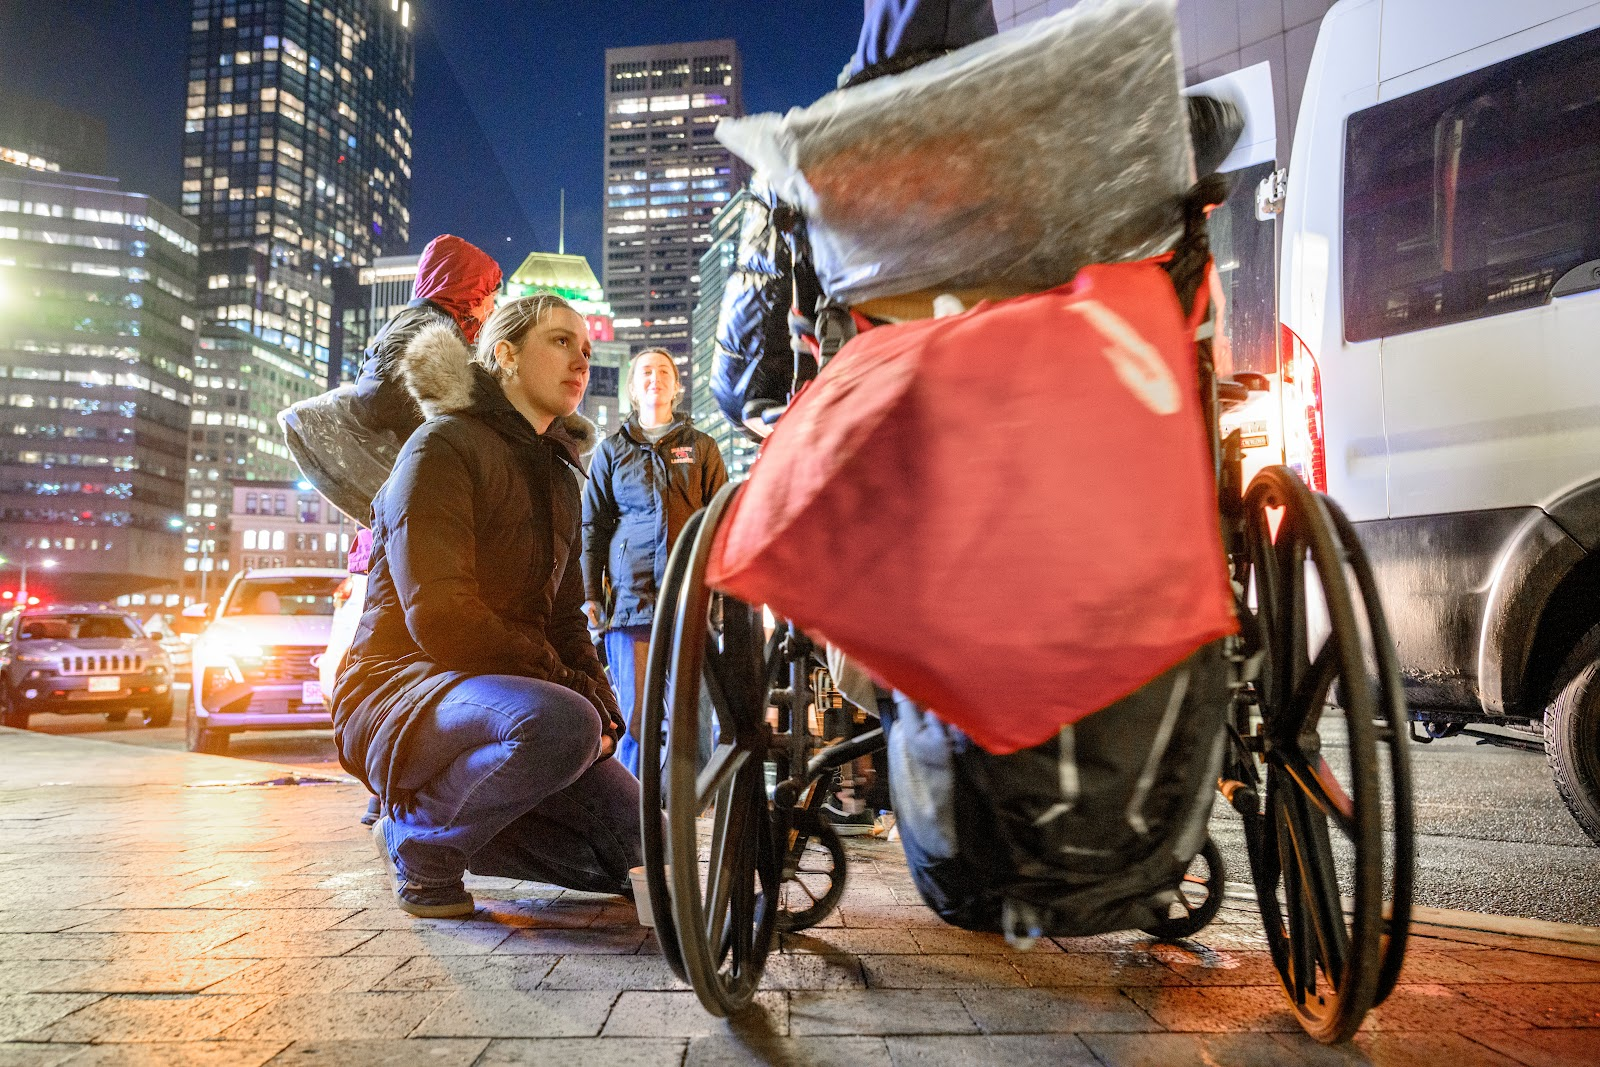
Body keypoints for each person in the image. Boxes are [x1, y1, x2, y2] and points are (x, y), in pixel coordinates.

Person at [333, 294, 636, 919]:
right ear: (504, 354)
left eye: (585, 349)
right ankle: (419, 842)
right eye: (559, 341)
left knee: (643, 850)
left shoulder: (558, 474)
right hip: (406, 688)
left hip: (510, 694)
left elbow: (564, 620)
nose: (581, 360)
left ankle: (482, 829)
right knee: (560, 726)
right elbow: (441, 618)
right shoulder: (440, 447)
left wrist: (605, 704)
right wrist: (571, 691)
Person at [581, 349, 728, 775]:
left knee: (694, 715)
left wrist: (718, 591)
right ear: (632, 387)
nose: (654, 378)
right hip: (632, 601)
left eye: (664, 371)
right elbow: (592, 529)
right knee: (637, 715)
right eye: (645, 371)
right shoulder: (611, 452)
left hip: (689, 598)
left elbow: (720, 522)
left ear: (676, 385)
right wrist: (592, 593)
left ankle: (689, 805)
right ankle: (634, 802)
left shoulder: (701, 447)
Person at [350, 232, 503, 440]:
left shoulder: (413, 321)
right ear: (468, 292)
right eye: (490, 297)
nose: (492, 309)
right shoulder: (432, 329)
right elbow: (390, 396)